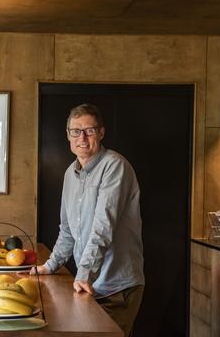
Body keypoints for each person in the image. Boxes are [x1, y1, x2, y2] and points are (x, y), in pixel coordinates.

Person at [31, 104, 144, 336]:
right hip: (88, 286)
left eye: (89, 130)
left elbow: (103, 227)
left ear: (101, 133)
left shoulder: (115, 166)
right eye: (75, 131)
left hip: (116, 287)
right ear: (68, 135)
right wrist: (49, 266)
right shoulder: (70, 174)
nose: (81, 137)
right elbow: (67, 231)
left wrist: (83, 275)